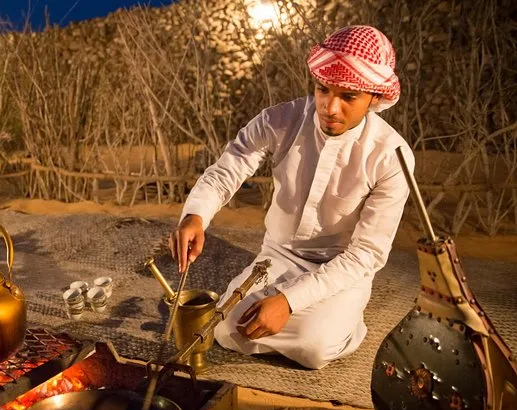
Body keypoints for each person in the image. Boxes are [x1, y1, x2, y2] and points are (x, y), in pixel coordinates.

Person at [169, 25, 415, 370]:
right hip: (278, 256)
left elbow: (366, 254)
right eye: (323, 89)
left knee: (314, 348)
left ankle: (345, 321)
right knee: (225, 330)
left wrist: (289, 300)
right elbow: (227, 170)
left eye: (348, 97)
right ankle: (310, 320)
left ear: (374, 98)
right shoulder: (281, 120)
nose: (330, 107)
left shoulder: (391, 156)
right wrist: (195, 215)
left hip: (341, 269)